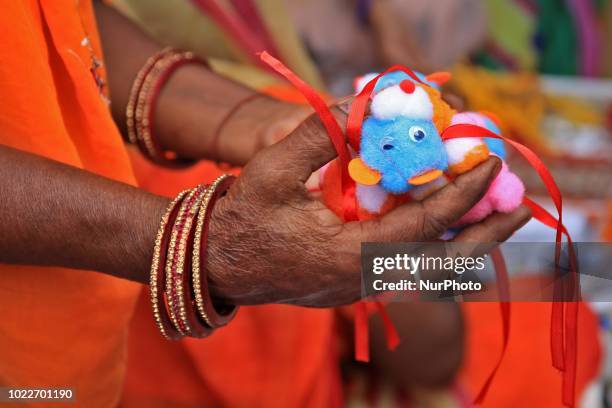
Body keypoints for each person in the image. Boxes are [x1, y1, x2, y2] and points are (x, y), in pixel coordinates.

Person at [0, 1, 531, 407]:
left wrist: (258, 124)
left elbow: (59, 28)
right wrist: (200, 246)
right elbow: (435, 358)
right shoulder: (280, 189)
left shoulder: (307, 149)